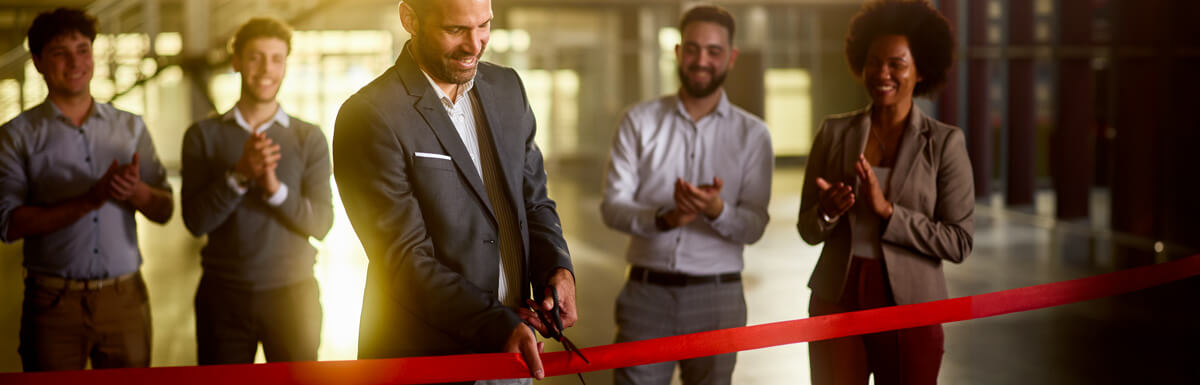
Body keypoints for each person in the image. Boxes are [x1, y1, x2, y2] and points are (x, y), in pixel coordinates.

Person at [332, 0, 576, 383]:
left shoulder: (508, 88)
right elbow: (404, 258)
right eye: (455, 30)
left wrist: (558, 269)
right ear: (410, 20)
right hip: (428, 357)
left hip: (516, 351)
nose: (475, 44)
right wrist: (496, 323)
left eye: (484, 25)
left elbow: (534, 200)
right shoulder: (369, 115)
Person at [796, 1, 974, 383]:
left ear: (921, 68)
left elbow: (959, 241)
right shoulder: (833, 133)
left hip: (911, 302)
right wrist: (827, 212)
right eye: (874, 61)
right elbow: (807, 229)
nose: (882, 73)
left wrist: (889, 213)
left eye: (897, 63)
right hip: (836, 294)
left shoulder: (945, 143)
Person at [600, 5, 772, 385]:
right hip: (647, 296)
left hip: (718, 299)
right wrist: (665, 217)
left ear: (731, 57)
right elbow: (612, 208)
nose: (701, 61)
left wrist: (716, 210)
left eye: (714, 51)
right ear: (677, 52)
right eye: (692, 48)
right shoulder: (638, 121)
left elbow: (755, 225)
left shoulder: (754, 136)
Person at [0, 8, 174, 371]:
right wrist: (89, 200)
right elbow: (10, 225)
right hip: (52, 305)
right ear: (38, 62)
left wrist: (135, 191)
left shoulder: (130, 127)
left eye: (83, 49)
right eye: (60, 52)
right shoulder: (16, 136)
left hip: (125, 299)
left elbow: (164, 210)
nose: (75, 62)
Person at [180, 17, 332, 365]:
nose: (267, 69)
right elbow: (196, 221)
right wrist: (238, 176)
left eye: (277, 59)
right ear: (236, 62)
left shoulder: (308, 138)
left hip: (294, 296)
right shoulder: (203, 136)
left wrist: (274, 188)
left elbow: (322, 223)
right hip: (223, 297)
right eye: (255, 57)